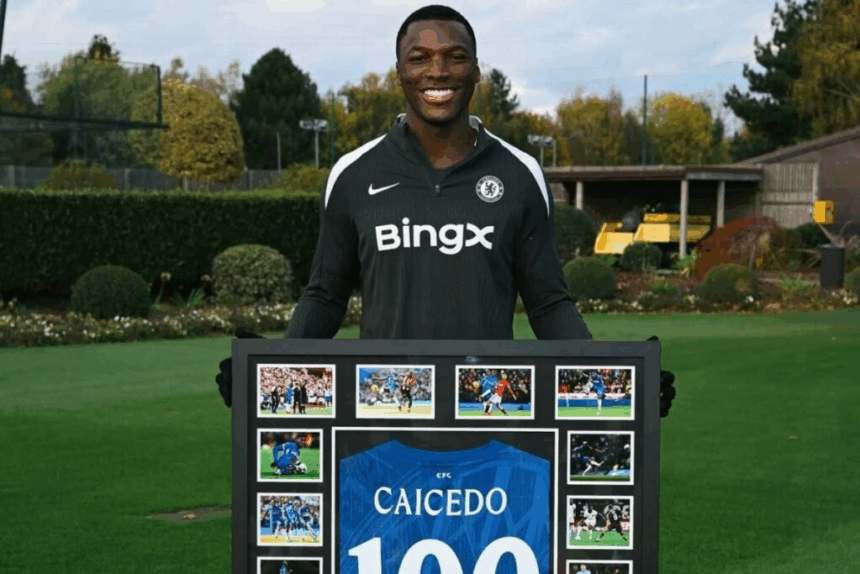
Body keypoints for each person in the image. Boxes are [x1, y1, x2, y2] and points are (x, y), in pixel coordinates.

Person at [215, 4, 676, 417]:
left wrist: (619, 379)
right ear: (399, 72)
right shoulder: (352, 174)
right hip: (385, 415)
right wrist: (268, 370)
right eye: (420, 59)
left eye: (455, 57)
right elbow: (325, 296)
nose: (437, 72)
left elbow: (548, 303)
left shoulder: (520, 174)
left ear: (476, 71)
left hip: (483, 416)